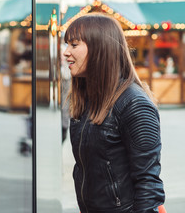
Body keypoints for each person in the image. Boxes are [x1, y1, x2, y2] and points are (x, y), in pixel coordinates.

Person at [62, 13, 165, 213]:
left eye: (74, 45)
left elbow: (148, 184)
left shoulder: (134, 104)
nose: (66, 52)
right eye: (67, 44)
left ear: (100, 47)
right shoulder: (87, 98)